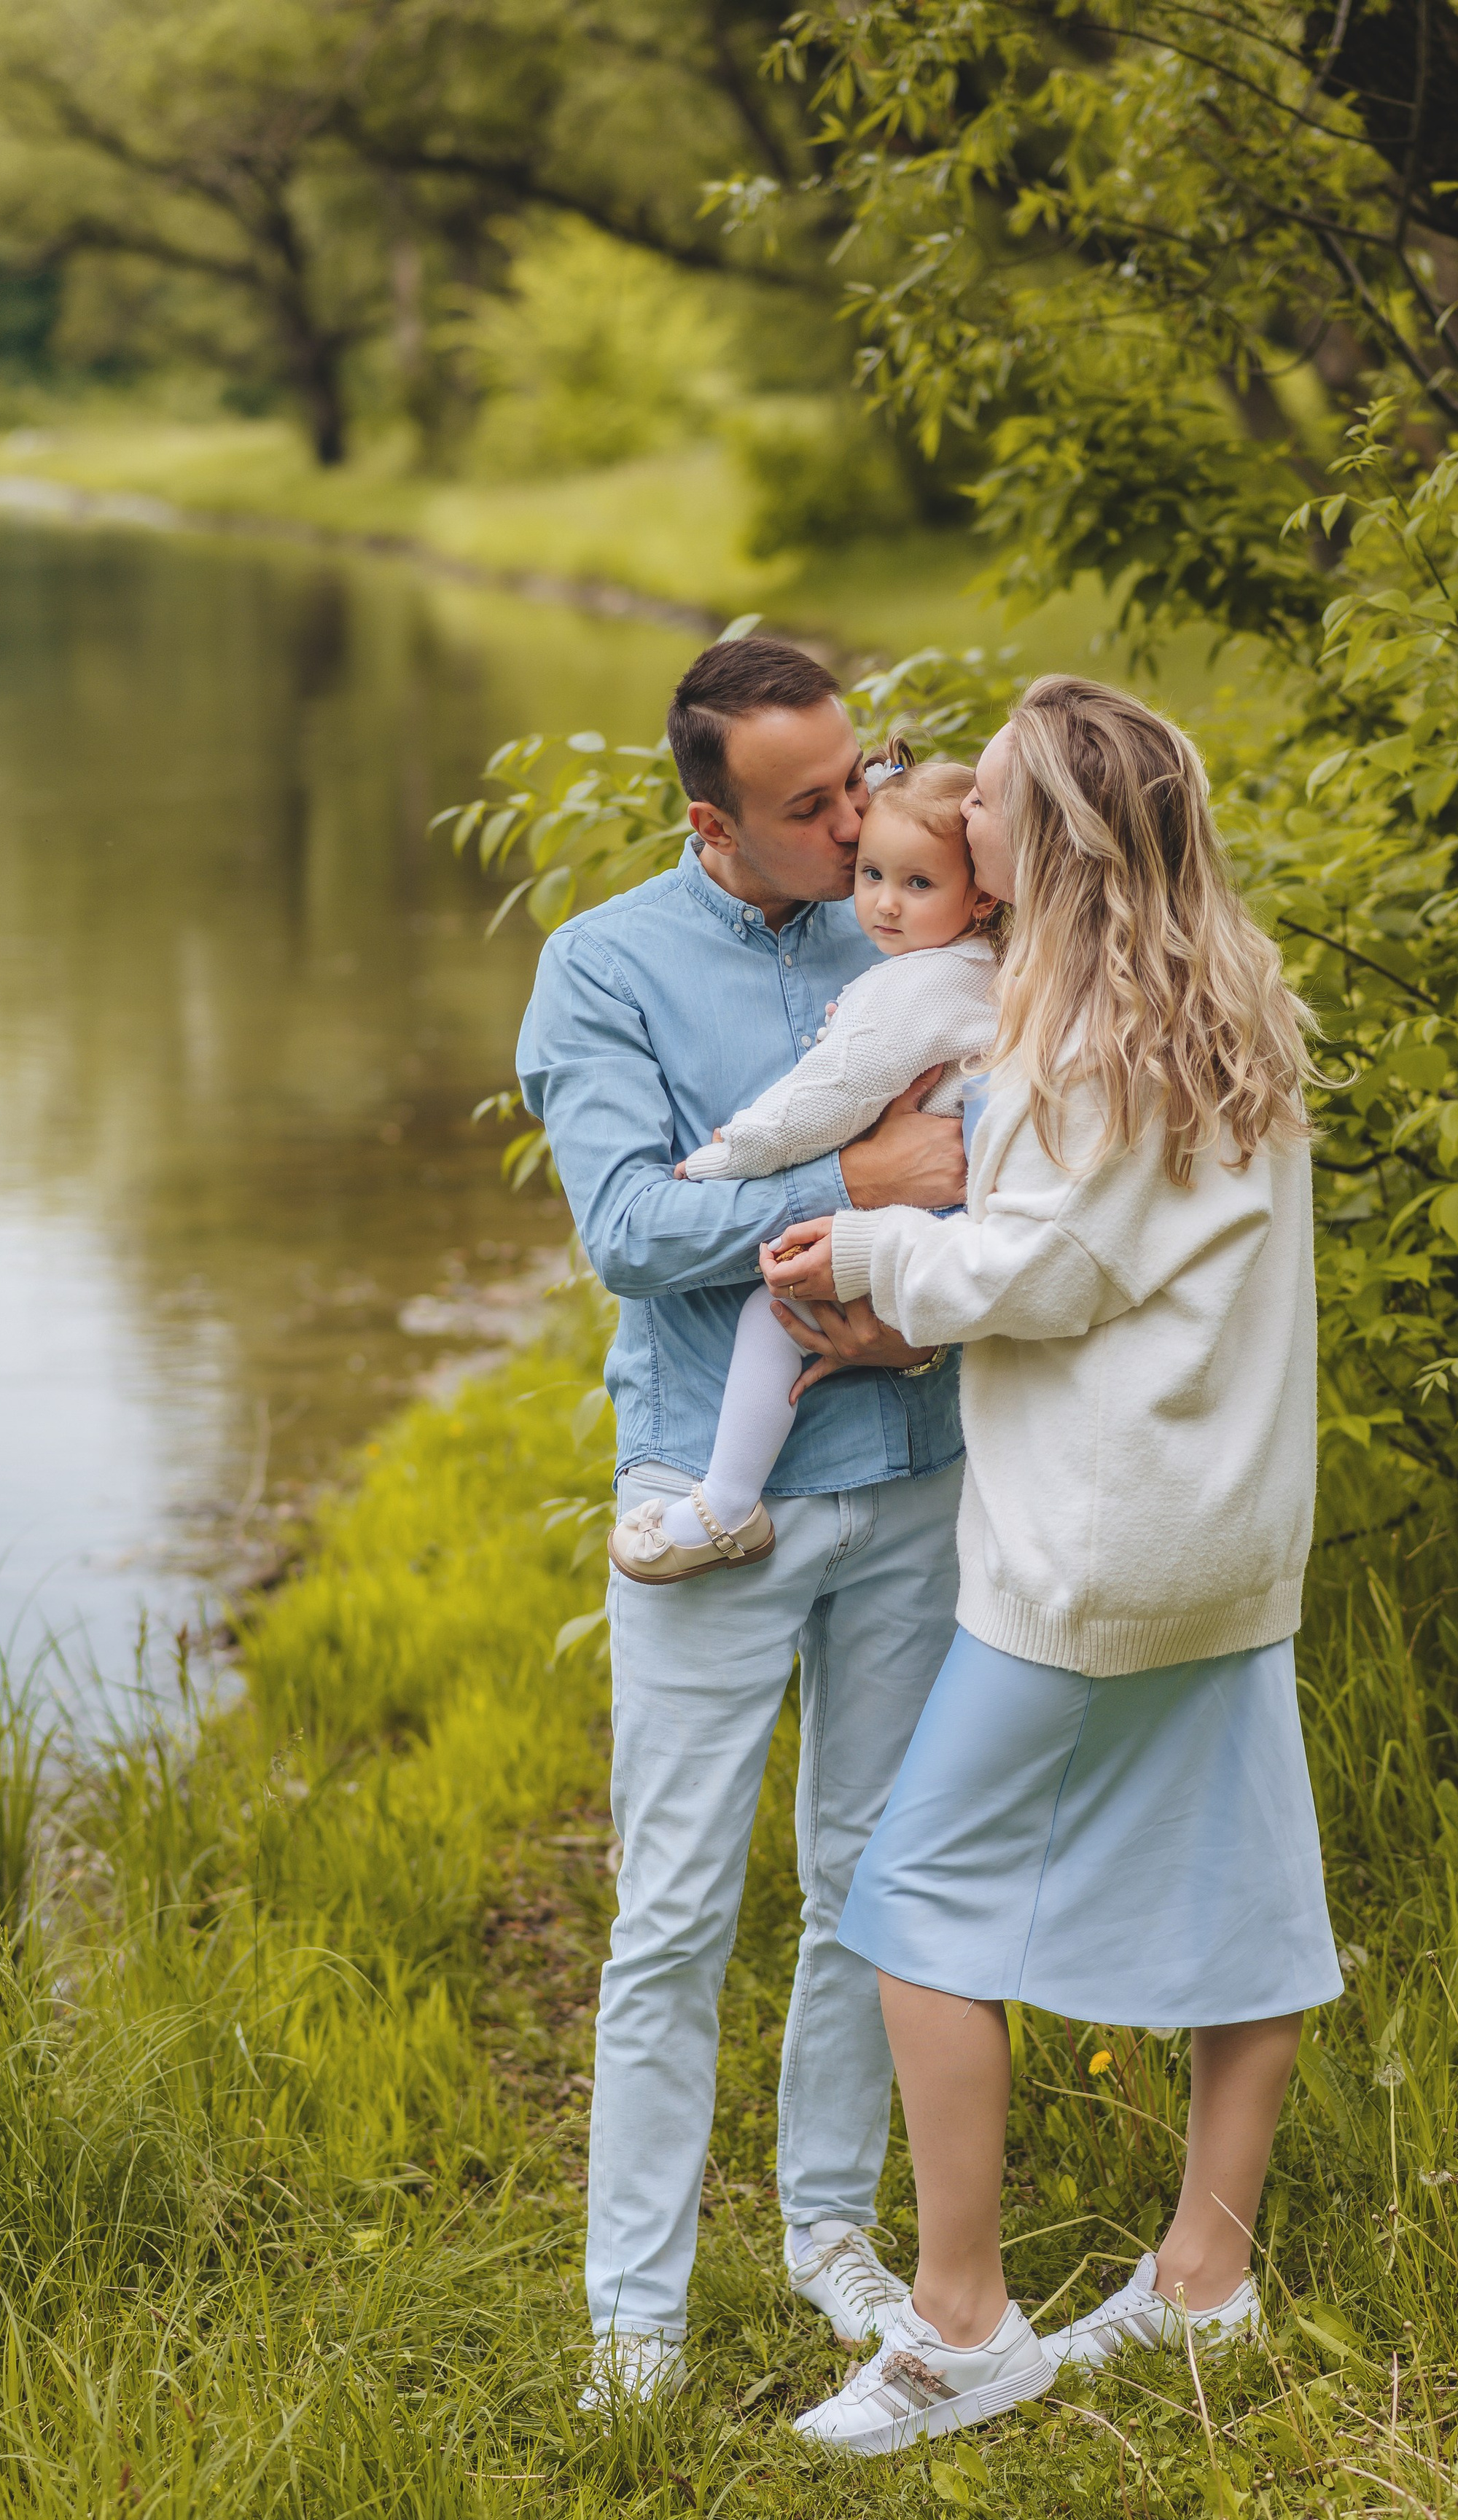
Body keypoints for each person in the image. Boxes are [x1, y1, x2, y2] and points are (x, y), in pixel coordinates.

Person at [760, 675, 1343, 2456]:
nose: (955, 822)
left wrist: (862, 1249)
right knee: (1244, 1890)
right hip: (1228, 1538)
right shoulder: (1232, 1003)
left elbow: (1034, 1270)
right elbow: (1129, 1273)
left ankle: (958, 2323)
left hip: (1094, 1552)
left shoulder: (1084, 1042)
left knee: (912, 1900)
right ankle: (1202, 2278)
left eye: (994, 801)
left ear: (1065, 841)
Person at [515, 634, 970, 2408]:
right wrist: (853, 1178)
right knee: (677, 1908)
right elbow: (628, 1229)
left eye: (857, 779)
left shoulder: (915, 915)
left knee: (868, 1879)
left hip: (915, 1478)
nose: (856, 819)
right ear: (714, 822)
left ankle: (827, 2230)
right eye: (810, 807)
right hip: (710, 1509)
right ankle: (634, 2311)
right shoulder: (601, 965)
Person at [610, 743, 999, 1583]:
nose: (884, 905)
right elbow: (625, 1239)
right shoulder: (985, 969)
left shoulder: (913, 986)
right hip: (950, 1223)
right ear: (714, 825)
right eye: (871, 876)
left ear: (982, 895)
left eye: (917, 884)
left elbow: (826, 1097)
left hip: (916, 1226)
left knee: (774, 1306)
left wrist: (724, 1157)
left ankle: (725, 1498)